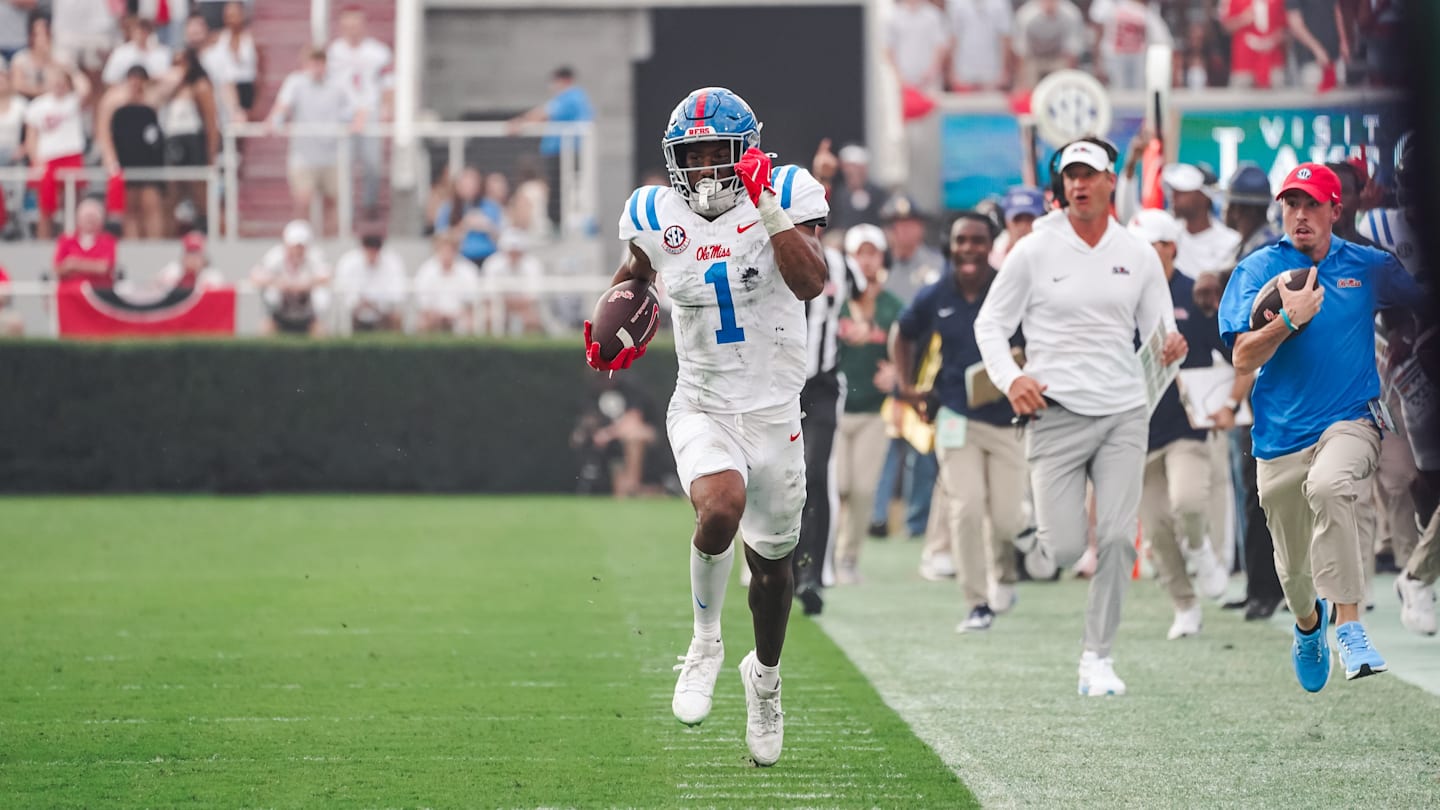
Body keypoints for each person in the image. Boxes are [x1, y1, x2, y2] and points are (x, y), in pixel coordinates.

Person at [582, 87, 828, 766]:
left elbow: (811, 281)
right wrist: (615, 318)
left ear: (747, 151)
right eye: (693, 156)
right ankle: (704, 643)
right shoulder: (654, 213)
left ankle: (766, 679)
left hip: (774, 412)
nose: (707, 168)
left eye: (719, 152)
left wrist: (767, 206)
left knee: (773, 570)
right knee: (720, 507)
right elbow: (633, 275)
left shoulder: (784, 190)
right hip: (702, 403)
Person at [974, 137, 1187, 696]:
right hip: (1055, 413)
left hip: (1123, 412)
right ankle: (1041, 534)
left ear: (1111, 180)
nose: (1079, 184)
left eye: (1089, 174)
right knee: (1066, 549)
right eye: (1071, 175)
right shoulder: (1034, 250)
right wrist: (1011, 378)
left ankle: (1098, 657)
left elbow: (1161, 331)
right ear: (1062, 184)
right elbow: (990, 325)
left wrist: (1171, 348)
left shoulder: (1138, 253)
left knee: (1117, 539)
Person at [1218, 163, 1426, 691]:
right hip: (1280, 437)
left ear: (1337, 210)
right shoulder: (1257, 269)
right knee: (1292, 573)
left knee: (1332, 486)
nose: (1301, 215)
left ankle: (1350, 627)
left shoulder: (1368, 266)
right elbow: (1242, 357)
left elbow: (1420, 301)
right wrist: (1289, 319)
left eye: (1313, 204)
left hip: (1352, 420)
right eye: (1292, 204)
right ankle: (1309, 627)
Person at [895, 212, 1026, 633]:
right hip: (954, 415)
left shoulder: (1009, 288)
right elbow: (903, 332)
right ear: (951, 246)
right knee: (966, 507)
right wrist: (906, 386)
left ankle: (1004, 575)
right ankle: (976, 602)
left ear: (991, 245)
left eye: (977, 241)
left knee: (1007, 519)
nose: (968, 249)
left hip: (1006, 419)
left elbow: (1037, 339)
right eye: (961, 241)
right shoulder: (936, 293)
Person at [1127, 209, 1232, 640]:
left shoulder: (1196, 293)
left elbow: (1230, 349)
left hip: (1187, 425)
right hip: (1136, 431)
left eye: (1149, 246)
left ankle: (1201, 547)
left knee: (1188, 503)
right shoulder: (1120, 296)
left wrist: (1229, 402)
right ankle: (1184, 605)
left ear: (1169, 248)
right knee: (1154, 529)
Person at [832, 224, 903, 585]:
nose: (867, 260)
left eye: (872, 252)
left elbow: (914, 352)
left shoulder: (893, 306)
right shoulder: (834, 300)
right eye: (859, 252)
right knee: (836, 486)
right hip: (834, 408)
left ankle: (847, 559)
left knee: (861, 490)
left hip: (875, 410)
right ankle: (824, 554)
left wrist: (898, 373)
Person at [267, 47, 355, 234]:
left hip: (332, 155)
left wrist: (356, 123)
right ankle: (300, 240)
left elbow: (357, 108)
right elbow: (282, 106)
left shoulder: (338, 84)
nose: (317, 68)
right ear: (305, 65)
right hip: (303, 155)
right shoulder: (296, 82)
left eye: (320, 63)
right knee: (302, 200)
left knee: (333, 201)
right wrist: (275, 121)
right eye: (313, 63)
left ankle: (331, 241)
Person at [508, 66, 592, 230]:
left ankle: (557, 224)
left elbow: (543, 113)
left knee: (559, 189)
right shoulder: (572, 98)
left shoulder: (571, 96)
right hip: (560, 151)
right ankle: (556, 222)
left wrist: (519, 124)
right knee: (557, 189)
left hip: (564, 152)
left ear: (564, 80)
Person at [326, 5, 391, 219]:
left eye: (356, 25)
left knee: (372, 164)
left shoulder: (378, 52)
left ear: (363, 26)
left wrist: (388, 107)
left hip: (370, 115)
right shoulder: (333, 52)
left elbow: (389, 83)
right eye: (348, 26)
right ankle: (345, 210)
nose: (352, 30)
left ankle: (369, 204)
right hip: (342, 116)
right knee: (342, 166)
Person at [96, 65, 165, 238]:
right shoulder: (114, 102)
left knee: (151, 205)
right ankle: (133, 246)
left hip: (149, 161)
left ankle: (154, 245)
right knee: (130, 209)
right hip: (126, 160)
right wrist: (110, 160)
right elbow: (104, 132)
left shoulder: (152, 101)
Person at [250, 219, 331, 336]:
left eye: (301, 247)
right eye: (294, 246)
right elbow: (256, 276)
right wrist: (280, 283)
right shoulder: (275, 256)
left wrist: (304, 285)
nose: (297, 251)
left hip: (308, 316)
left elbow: (326, 275)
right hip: (279, 314)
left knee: (321, 331)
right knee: (265, 329)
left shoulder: (315, 256)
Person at [1163, 162, 1241, 278]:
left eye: (1182, 192)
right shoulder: (1167, 237)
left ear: (1204, 197)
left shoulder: (1232, 242)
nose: (1173, 196)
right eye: (1174, 191)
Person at [333, 230, 407, 332]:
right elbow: (342, 291)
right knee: (344, 319)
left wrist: (376, 303)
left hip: (382, 312)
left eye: (375, 251)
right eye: (369, 251)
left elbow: (398, 292)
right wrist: (358, 303)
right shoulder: (348, 262)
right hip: (355, 313)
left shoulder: (392, 262)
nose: (372, 255)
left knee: (397, 317)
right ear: (363, 249)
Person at [414, 231, 481, 334]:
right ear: (436, 249)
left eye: (449, 250)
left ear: (456, 250)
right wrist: (436, 315)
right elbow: (423, 303)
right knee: (421, 323)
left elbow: (470, 303)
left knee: (470, 322)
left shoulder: (468, 270)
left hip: (459, 316)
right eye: (442, 249)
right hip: (433, 316)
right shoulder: (426, 270)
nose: (446, 253)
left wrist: (456, 315)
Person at [811, 140, 884, 231]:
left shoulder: (878, 193)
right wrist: (822, 178)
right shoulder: (837, 194)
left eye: (858, 166)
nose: (854, 171)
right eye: (849, 166)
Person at [1223, 0, 1288, 89]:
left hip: (1273, 59)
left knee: (1278, 97)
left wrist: (1271, 41)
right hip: (1244, 61)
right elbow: (1226, 26)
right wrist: (1243, 19)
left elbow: (1287, 27)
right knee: (1241, 94)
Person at [52, 198, 116, 287]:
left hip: (99, 290)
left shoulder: (108, 240)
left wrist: (73, 264)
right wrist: (93, 265)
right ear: (79, 219)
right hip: (70, 291)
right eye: (87, 217)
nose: (90, 221)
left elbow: (104, 268)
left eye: (93, 217)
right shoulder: (66, 240)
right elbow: (58, 268)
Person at [990, 185, 1046, 269]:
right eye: (1017, 219)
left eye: (1029, 219)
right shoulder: (990, 260)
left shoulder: (1052, 255)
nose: (1023, 226)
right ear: (1004, 221)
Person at [157, 230, 225, 289]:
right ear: (184, 257)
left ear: (203, 258)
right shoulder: (172, 270)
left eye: (196, 255)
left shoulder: (212, 276)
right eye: (190, 253)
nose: (193, 259)